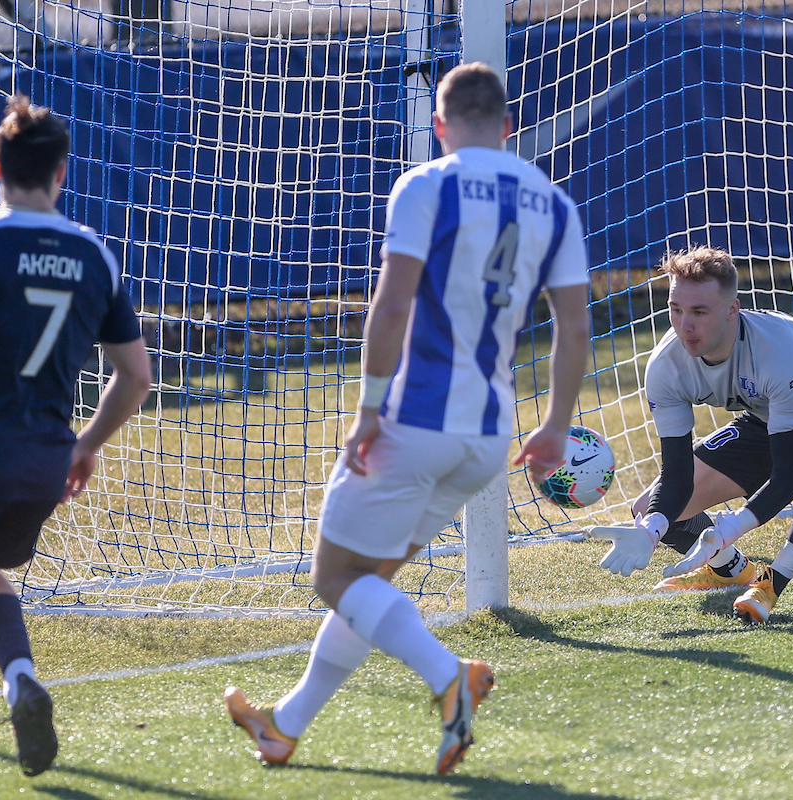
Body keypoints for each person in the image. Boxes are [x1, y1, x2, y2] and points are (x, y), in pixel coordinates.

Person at [224, 62, 591, 774]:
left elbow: (391, 306)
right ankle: (284, 725)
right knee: (369, 584)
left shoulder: (426, 184)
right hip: (489, 436)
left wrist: (367, 411)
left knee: (336, 578)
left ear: (440, 124)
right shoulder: (554, 202)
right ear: (508, 125)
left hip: (413, 422)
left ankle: (451, 676)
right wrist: (554, 426)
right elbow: (573, 330)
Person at [0, 96, 151, 776]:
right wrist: (86, 444)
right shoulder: (95, 254)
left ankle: (22, 681)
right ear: (61, 172)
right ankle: (20, 680)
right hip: (41, 464)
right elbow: (135, 377)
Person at [588, 245, 793, 623]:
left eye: (700, 312)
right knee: (649, 508)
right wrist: (651, 530)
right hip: (769, 418)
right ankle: (731, 570)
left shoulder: (777, 349)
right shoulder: (665, 368)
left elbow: (786, 481)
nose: (685, 325)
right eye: (676, 309)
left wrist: (729, 527)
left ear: (732, 310)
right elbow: (677, 477)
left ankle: (770, 584)